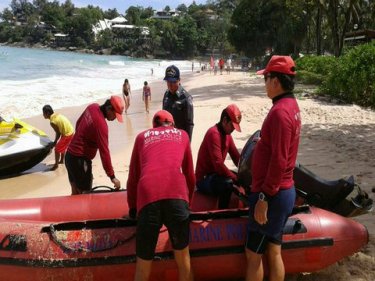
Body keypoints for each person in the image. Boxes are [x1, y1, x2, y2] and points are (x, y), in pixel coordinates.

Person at [245, 55, 301, 281]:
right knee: (274, 250)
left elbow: (279, 160)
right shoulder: (291, 106)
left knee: (253, 254)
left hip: (273, 195)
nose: (264, 83)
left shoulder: (279, 113)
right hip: (284, 190)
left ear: (276, 81)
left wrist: (264, 197)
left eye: (266, 78)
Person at [127, 110, 195, 281]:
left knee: (142, 267)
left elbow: (133, 178)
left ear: (154, 126)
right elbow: (189, 175)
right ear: (172, 125)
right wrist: (189, 204)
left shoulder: (142, 137)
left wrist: (133, 209)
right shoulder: (183, 135)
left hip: (148, 194)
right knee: (184, 261)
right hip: (176, 194)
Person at [65, 96, 124, 195]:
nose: (115, 119)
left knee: (75, 194)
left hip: (69, 156)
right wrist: (112, 177)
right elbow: (104, 152)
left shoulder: (92, 107)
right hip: (80, 161)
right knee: (85, 195)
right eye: (115, 115)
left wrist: (83, 138)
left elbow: (78, 123)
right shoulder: (101, 125)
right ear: (109, 108)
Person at [195, 104, 242, 209]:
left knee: (241, 178)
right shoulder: (213, 134)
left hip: (216, 175)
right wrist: (235, 178)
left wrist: (246, 173)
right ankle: (221, 213)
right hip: (204, 179)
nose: (233, 130)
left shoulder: (227, 135)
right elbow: (218, 165)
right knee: (228, 184)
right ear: (225, 120)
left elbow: (236, 158)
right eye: (232, 126)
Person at [162, 65, 194, 141]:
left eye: (173, 82)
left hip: (179, 139)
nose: (170, 85)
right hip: (167, 137)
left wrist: (187, 145)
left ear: (179, 80)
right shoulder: (166, 95)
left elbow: (189, 124)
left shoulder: (186, 98)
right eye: (168, 81)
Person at [42, 105, 74, 170]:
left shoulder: (52, 122)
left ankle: (56, 165)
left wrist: (55, 142)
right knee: (62, 146)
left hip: (67, 134)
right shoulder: (56, 114)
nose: (43, 115)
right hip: (70, 130)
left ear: (47, 113)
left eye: (43, 113)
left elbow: (58, 133)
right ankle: (62, 160)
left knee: (57, 149)